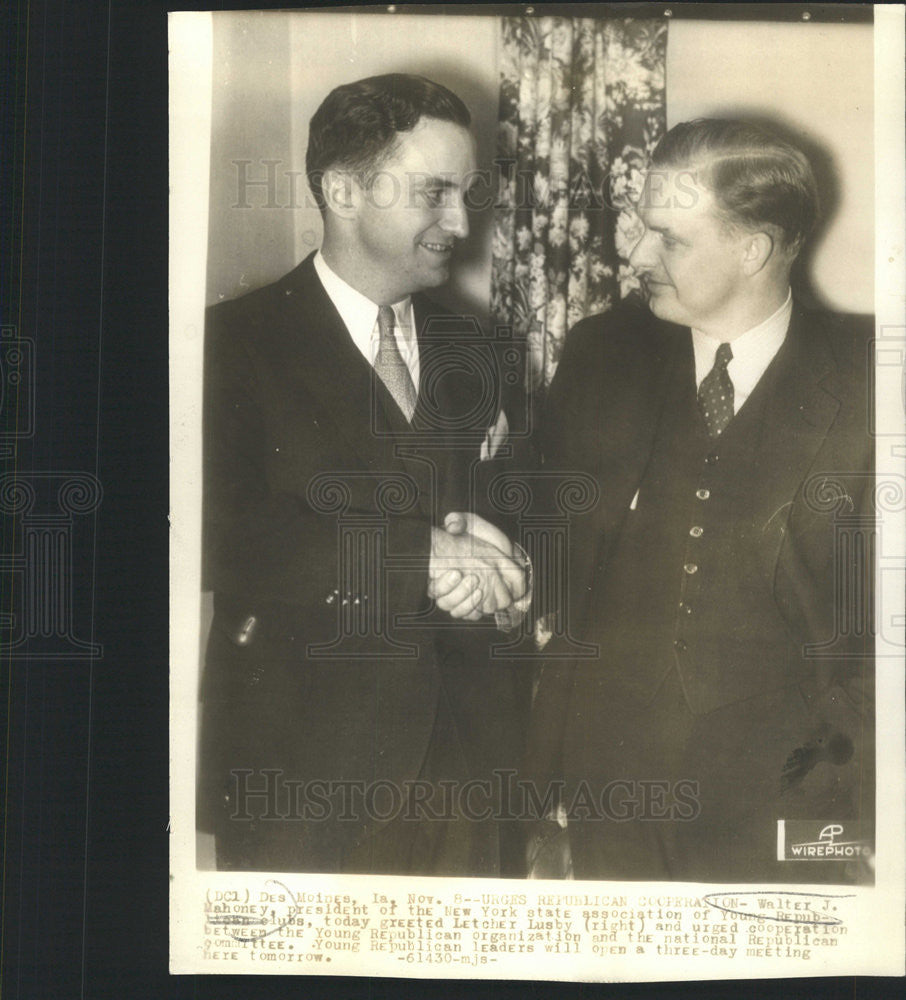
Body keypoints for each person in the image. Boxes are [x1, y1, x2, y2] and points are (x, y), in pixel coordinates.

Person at [199, 74, 529, 875]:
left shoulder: (484, 349)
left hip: (469, 769)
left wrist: (520, 581)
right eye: (434, 192)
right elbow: (220, 537)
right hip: (303, 774)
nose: (460, 221)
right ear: (343, 191)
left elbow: (529, 516)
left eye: (467, 193)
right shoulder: (227, 345)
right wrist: (415, 557)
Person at [529, 119, 874, 883]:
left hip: (794, 797)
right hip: (608, 786)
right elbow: (536, 518)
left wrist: (863, 802)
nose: (637, 255)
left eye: (669, 240)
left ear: (752, 249)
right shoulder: (601, 354)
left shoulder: (873, 378)